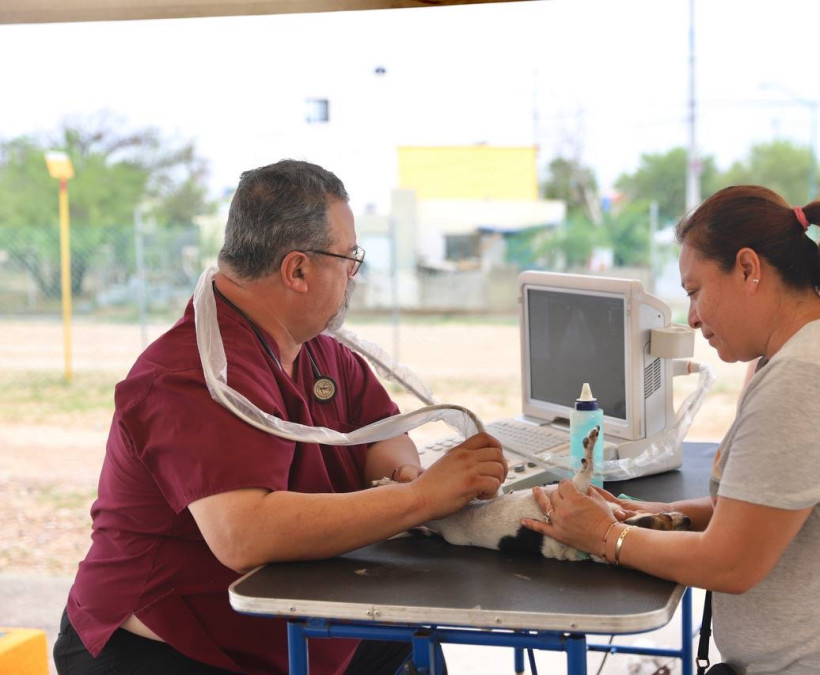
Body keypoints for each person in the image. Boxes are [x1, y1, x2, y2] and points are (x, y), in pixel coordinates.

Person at [54, 159, 508, 674]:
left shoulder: (315, 347)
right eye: (349, 257)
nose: (352, 274)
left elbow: (382, 430)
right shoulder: (191, 374)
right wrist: (419, 499)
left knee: (414, 644)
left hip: (296, 622)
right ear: (297, 270)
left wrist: (399, 473)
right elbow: (245, 537)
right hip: (172, 651)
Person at [523, 185, 820, 673]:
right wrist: (658, 513)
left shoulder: (810, 375)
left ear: (748, 269)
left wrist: (606, 537)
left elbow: (729, 563)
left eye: (695, 291)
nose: (692, 318)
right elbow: (766, 508)